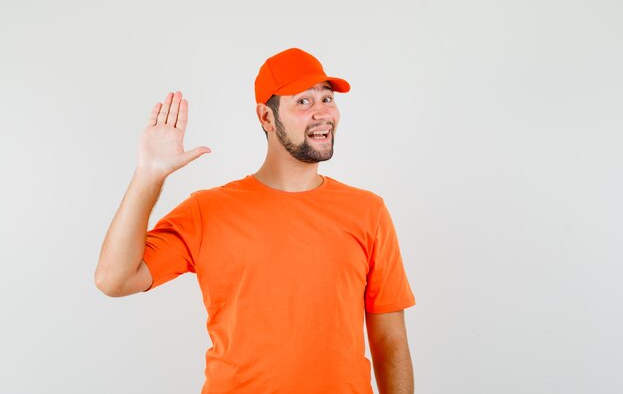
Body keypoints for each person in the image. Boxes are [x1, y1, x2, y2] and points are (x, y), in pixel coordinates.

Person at [95, 48, 416, 393]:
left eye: (327, 98)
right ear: (266, 117)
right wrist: (149, 176)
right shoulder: (209, 211)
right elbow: (115, 280)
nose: (322, 112)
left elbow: (390, 338)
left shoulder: (368, 210)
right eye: (304, 102)